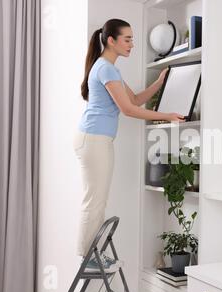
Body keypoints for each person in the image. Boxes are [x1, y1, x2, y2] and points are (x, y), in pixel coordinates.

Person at [74, 19, 184, 272]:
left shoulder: (108, 67)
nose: (132, 44)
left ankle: (92, 254)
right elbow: (128, 110)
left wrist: (159, 83)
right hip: (93, 140)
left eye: (132, 39)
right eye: (128, 39)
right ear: (111, 40)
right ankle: (87, 257)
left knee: (98, 199)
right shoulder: (105, 68)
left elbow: (133, 99)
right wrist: (166, 115)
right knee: (94, 201)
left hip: (95, 140)